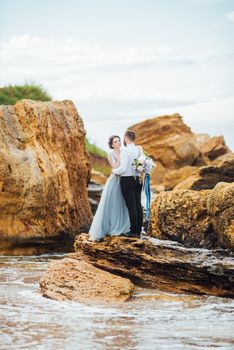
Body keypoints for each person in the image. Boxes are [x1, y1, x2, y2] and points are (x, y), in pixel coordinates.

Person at [89, 135, 130, 241]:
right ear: (112, 145)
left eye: (119, 140)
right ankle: (111, 227)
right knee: (112, 203)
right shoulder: (110, 154)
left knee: (123, 203)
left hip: (124, 179)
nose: (118, 142)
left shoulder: (125, 152)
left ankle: (123, 226)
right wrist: (121, 158)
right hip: (114, 181)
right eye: (115, 142)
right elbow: (115, 167)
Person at [113, 130, 143, 237]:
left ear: (126, 138)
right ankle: (139, 230)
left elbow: (123, 168)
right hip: (138, 179)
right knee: (138, 205)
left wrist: (114, 171)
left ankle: (133, 231)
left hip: (127, 180)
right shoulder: (138, 150)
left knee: (131, 206)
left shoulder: (125, 151)